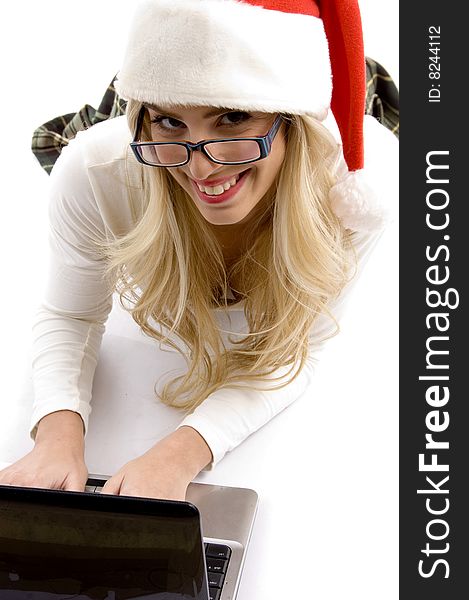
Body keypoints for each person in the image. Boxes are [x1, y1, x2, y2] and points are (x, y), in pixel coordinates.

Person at [0, 0, 397, 501]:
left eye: (232, 117)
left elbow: (299, 351)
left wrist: (180, 453)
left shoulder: (357, 190)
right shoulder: (100, 167)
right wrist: (56, 434)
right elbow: (70, 313)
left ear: (290, 122)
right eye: (169, 121)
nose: (203, 167)